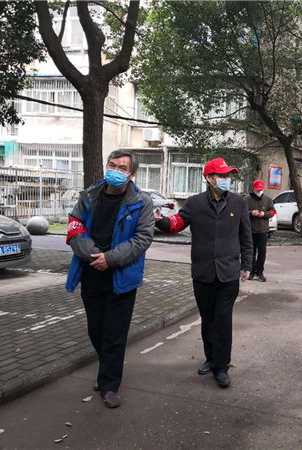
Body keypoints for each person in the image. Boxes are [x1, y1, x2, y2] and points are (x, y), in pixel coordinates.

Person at [65, 150, 154, 409]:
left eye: (122, 168)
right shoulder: (88, 196)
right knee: (96, 330)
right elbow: (74, 228)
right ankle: (107, 369)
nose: (115, 171)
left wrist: (110, 259)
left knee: (115, 334)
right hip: (91, 272)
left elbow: (142, 238)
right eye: (112, 165)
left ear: (131, 174)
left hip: (121, 277)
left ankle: (109, 385)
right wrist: (93, 254)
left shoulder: (141, 202)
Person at [154, 158, 252, 389]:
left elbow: (246, 236)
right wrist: (160, 221)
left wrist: (247, 265)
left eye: (228, 176)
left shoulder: (239, 203)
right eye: (222, 175)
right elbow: (176, 223)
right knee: (207, 319)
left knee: (223, 320)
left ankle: (222, 366)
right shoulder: (195, 203)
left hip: (228, 273)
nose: (226, 179)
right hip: (203, 272)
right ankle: (210, 358)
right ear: (209, 178)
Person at [245, 179, 276, 282]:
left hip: (263, 230)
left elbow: (273, 211)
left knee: (262, 252)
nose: (259, 191)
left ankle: (260, 272)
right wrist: (251, 213)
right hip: (251, 230)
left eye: (261, 190)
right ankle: (251, 271)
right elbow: (242, 212)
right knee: (252, 252)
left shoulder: (268, 199)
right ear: (253, 189)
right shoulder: (247, 199)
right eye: (257, 190)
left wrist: (265, 214)